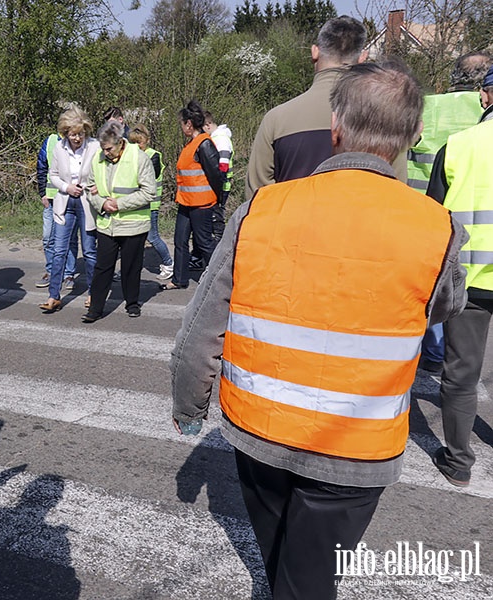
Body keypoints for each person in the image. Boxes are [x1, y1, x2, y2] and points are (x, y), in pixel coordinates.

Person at [171, 63, 467, 599]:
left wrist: (190, 408)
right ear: (413, 135)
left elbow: (199, 327)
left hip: (260, 432)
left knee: (283, 562)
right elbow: (445, 305)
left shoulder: (261, 208)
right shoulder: (437, 227)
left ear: (336, 126)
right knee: (308, 580)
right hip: (357, 450)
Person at [424, 64, 493, 488]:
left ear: (486, 96)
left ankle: (459, 461)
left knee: (461, 373)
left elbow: (433, 218)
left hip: (471, 276)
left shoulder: (460, 145)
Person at [408, 52, 492, 375]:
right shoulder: (481, 109)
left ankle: (432, 351)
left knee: (438, 291)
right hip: (475, 224)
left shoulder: (430, 106)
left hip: (425, 210)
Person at [245, 15, 368, 201]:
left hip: (289, 228)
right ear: (362, 58)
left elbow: (256, 200)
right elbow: (395, 195)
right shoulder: (384, 121)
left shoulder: (276, 120)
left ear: (315, 52)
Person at [82, 121, 156, 322]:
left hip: (133, 224)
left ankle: (132, 303)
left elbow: (149, 192)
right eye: (103, 148)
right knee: (102, 267)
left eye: (109, 148)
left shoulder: (139, 158)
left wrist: (120, 204)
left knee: (131, 267)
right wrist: (102, 204)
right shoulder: (98, 159)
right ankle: (95, 309)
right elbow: (89, 188)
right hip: (107, 224)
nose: (105, 152)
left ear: (120, 143)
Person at [39, 105, 100, 313]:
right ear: (66, 133)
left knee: (90, 251)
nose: (76, 138)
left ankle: (94, 293)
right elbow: (53, 174)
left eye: (80, 134)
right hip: (65, 202)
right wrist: (66, 187)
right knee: (59, 250)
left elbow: (103, 171)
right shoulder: (59, 148)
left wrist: (93, 186)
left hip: (86, 202)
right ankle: (53, 296)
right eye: (73, 134)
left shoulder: (94, 146)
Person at [160, 98, 223, 291]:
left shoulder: (204, 144)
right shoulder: (191, 144)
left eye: (182, 124)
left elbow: (216, 175)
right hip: (186, 202)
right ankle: (179, 279)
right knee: (180, 240)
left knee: (204, 242)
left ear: (189, 124)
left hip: (202, 204)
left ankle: (219, 279)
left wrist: (218, 201)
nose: (181, 127)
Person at [128, 123, 173, 281]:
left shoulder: (154, 155)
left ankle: (168, 263)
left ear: (146, 140)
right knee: (136, 238)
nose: (136, 146)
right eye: (133, 142)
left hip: (150, 204)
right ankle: (134, 267)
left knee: (152, 237)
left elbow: (146, 178)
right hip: (136, 204)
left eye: (139, 142)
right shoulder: (131, 156)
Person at [35, 133, 79, 289]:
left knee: (71, 239)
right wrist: (43, 193)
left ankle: (68, 274)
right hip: (52, 197)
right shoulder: (51, 141)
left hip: (71, 198)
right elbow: (41, 166)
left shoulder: (79, 140)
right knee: (48, 237)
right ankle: (51, 271)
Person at [203, 111, 234, 243]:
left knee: (217, 216)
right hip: (219, 184)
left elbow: (223, 165)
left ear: (208, 125)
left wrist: (217, 183)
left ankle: (219, 244)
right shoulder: (217, 137)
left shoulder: (220, 138)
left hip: (220, 185)